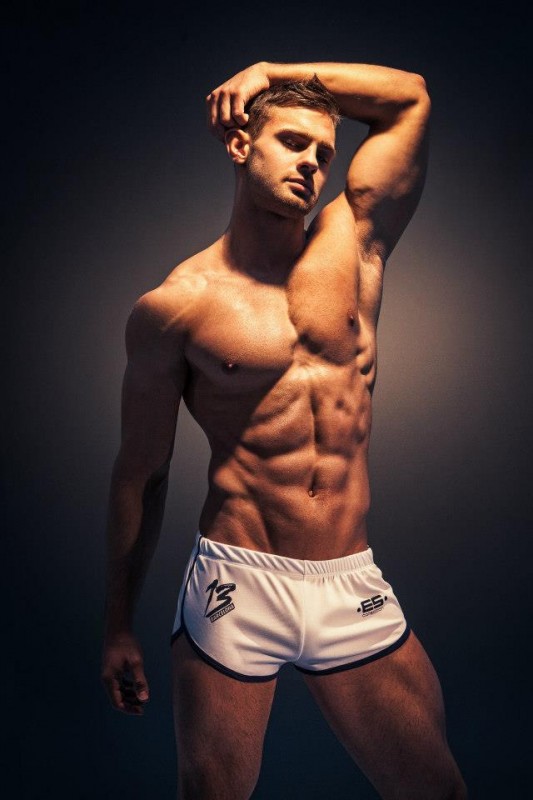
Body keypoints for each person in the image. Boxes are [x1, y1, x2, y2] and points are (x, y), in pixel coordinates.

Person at [101, 61, 467, 799]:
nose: (312, 164)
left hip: (347, 578)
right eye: (293, 142)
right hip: (238, 580)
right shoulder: (177, 306)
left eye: (324, 153)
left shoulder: (356, 244)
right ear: (241, 144)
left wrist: (272, 69)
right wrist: (117, 626)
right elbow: (142, 472)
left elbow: (410, 97)